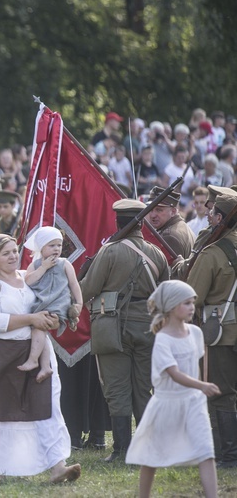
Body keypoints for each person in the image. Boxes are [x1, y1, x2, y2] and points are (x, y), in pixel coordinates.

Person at [0, 234, 81, 482]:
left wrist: (54, 317)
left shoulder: (28, 277)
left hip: (38, 350)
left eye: (15, 251)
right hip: (6, 354)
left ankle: (58, 467)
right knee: (5, 413)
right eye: (6, 253)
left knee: (47, 408)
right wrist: (31, 320)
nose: (13, 256)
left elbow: (50, 298)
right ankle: (3, 469)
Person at [81, 198, 169, 462]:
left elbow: (88, 289)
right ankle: (146, 448)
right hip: (148, 326)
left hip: (113, 326)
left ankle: (121, 450)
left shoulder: (110, 251)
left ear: (117, 222)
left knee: (117, 387)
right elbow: (165, 293)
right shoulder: (157, 254)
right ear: (140, 223)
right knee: (143, 388)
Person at [125, 280, 218, 498]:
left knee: (206, 451)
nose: (191, 307)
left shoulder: (195, 333)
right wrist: (202, 385)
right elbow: (174, 373)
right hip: (167, 403)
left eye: (192, 302)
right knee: (152, 456)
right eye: (186, 303)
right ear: (172, 306)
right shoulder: (163, 340)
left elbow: (197, 364)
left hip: (193, 402)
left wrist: (200, 388)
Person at [187, 188, 237, 468]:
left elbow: (192, 295)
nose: (207, 217)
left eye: (212, 214)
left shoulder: (213, 253)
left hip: (222, 334)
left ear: (220, 218)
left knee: (221, 393)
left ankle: (228, 456)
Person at [20, 227, 83, 382]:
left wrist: (79, 303)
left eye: (59, 245)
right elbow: (28, 281)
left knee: (39, 327)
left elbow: (74, 284)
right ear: (41, 247)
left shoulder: (64, 264)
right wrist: (43, 267)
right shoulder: (35, 265)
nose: (56, 249)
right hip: (41, 304)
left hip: (58, 305)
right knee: (42, 330)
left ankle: (34, 360)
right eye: (51, 245)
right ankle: (45, 366)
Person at [146, 186, 194, 260]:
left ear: (173, 212)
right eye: (151, 209)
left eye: (159, 210)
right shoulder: (180, 225)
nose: (152, 215)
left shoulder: (169, 236)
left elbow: (168, 270)